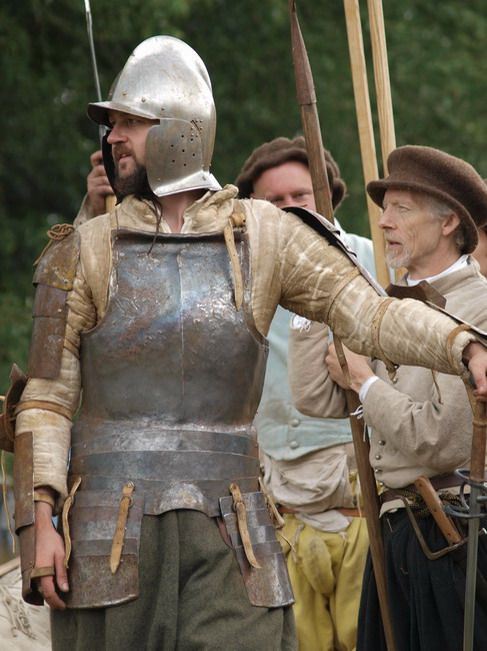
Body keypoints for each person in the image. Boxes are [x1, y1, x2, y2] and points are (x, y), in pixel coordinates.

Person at [10, 36, 487, 651]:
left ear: (180, 128)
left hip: (233, 534)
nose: (114, 137)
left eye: (131, 121)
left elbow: (370, 315)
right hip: (108, 534)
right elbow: (45, 400)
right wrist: (38, 521)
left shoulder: (265, 237)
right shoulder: (82, 250)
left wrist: (463, 346)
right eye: (114, 123)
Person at [288, 145, 487, 651]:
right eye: (384, 209)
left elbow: (439, 440)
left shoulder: (478, 307)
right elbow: (315, 398)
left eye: (402, 208)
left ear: (448, 223)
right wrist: (317, 290)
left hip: (453, 535)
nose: (384, 222)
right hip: (398, 536)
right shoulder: (385, 305)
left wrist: (365, 383)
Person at [235, 136, 373, 651]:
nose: (290, 208)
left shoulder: (372, 260)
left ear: (327, 195)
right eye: (275, 200)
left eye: (301, 195)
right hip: (281, 502)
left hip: (357, 489)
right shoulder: (238, 276)